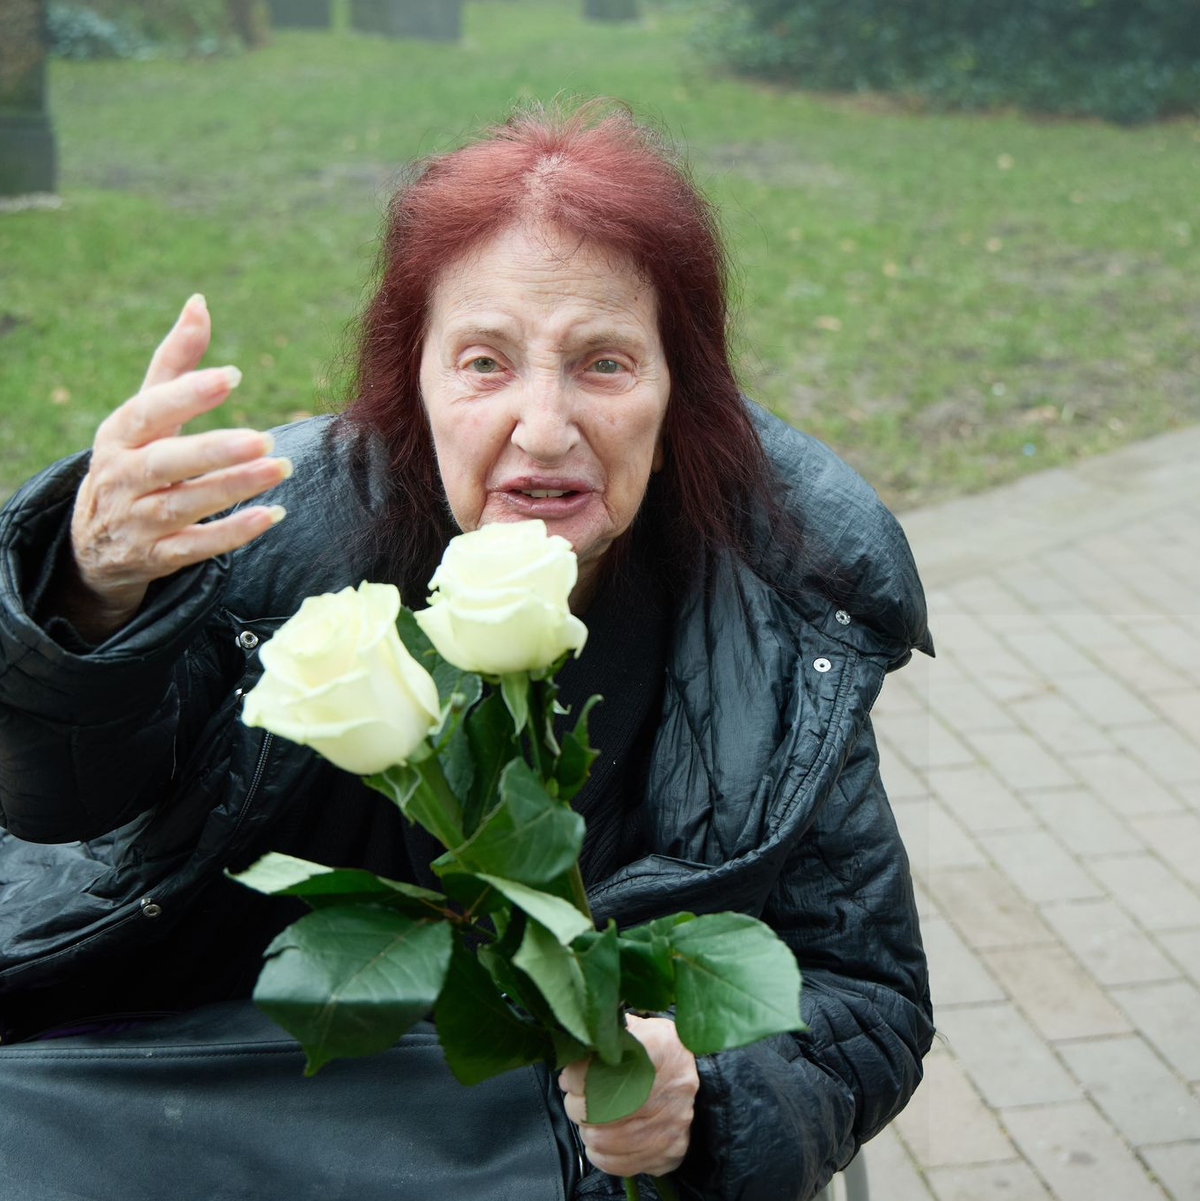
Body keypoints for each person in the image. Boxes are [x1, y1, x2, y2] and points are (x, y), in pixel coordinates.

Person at [0, 102, 934, 1200]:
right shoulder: (267, 540)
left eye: (605, 363)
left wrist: (707, 1096)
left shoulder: (784, 605)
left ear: (680, 390)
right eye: (485, 362)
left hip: (554, 1140)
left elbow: (863, 990)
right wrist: (93, 605)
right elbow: (67, 808)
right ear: (416, 381)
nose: (543, 429)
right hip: (195, 1087)